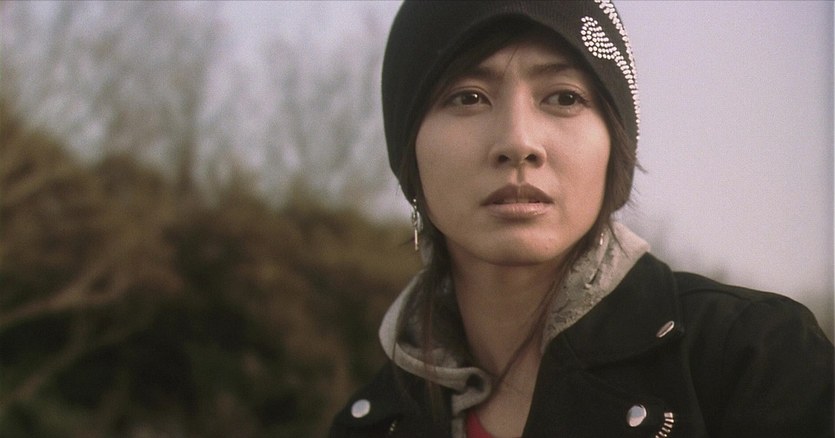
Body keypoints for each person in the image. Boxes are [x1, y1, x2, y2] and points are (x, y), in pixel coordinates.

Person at [329, 1, 834, 437]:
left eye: (564, 97)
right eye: (468, 97)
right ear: (409, 153)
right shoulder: (374, 422)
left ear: (614, 145)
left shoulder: (754, 359)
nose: (518, 142)